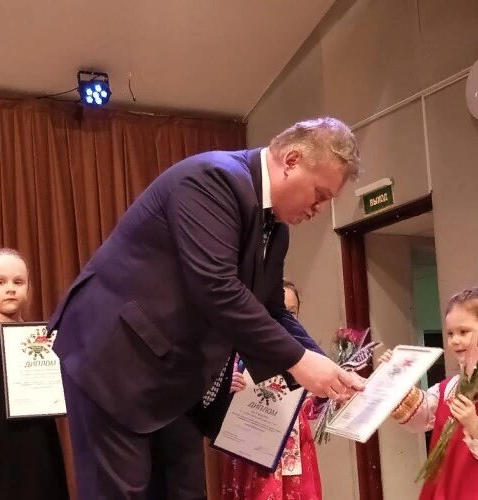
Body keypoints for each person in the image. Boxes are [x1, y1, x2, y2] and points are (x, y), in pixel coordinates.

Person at [48, 117, 364, 499]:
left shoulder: (276, 228)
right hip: (116, 359)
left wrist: (328, 370)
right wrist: (299, 361)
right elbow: (217, 287)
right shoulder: (213, 179)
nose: (320, 208)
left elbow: (272, 310)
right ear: (292, 160)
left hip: (173, 379)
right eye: (320, 193)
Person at [0, 248, 68, 499]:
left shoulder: (44, 340)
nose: (10, 288)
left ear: (28, 289)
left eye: (18, 282)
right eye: (0, 282)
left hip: (39, 451)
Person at [222, 279, 322, 499]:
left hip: (295, 444)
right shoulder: (237, 350)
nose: (284, 319)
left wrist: (325, 395)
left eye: (292, 312)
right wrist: (225, 388)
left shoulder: (307, 357)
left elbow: (312, 409)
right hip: (250, 443)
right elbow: (211, 400)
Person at [380, 287, 478, 499]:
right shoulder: (449, 387)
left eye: (464, 332)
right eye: (450, 333)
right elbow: (420, 416)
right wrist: (394, 375)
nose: (455, 340)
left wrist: (474, 425)